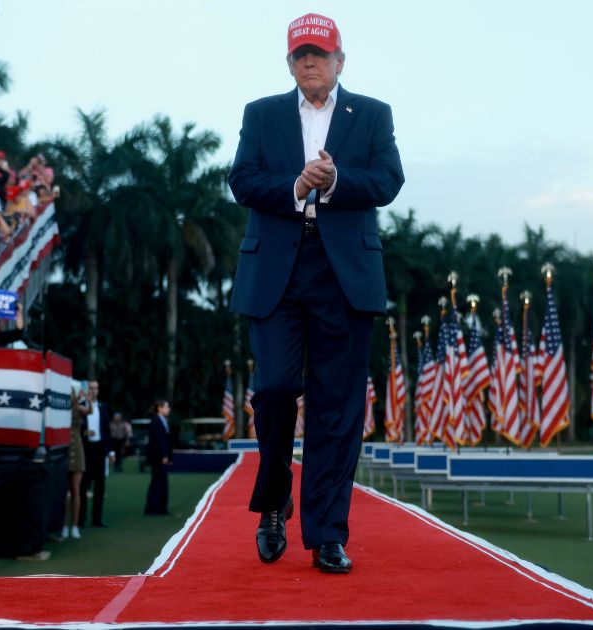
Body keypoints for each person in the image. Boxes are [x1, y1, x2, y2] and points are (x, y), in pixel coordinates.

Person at [227, 13, 405, 574]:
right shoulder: (262, 114)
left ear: (340, 61)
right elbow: (242, 180)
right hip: (277, 271)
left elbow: (388, 180)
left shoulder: (372, 114)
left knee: (337, 409)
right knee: (275, 389)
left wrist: (336, 181)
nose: (311, 61)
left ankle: (327, 532)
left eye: (320, 53)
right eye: (301, 53)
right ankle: (275, 498)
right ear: (289, 62)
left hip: (344, 275)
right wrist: (293, 186)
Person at [75, 380, 111, 528]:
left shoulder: (103, 407)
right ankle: (81, 519)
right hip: (86, 449)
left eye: (96, 388)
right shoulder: (80, 406)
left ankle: (97, 519)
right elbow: (75, 426)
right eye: (91, 388)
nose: (93, 391)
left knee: (100, 485)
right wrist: (84, 433)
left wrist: (111, 451)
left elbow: (107, 430)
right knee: (84, 485)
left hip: (100, 450)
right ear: (86, 389)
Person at [64, 381, 87, 540]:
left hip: (77, 448)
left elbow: (89, 410)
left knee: (75, 489)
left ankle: (75, 526)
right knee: (65, 492)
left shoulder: (79, 408)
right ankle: (64, 525)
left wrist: (87, 398)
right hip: (65, 448)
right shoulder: (61, 410)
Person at [144, 400, 173, 516]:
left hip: (163, 456)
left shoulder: (164, 421)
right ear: (160, 408)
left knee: (163, 482)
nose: (168, 409)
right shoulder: (155, 422)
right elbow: (157, 441)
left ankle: (162, 508)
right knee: (156, 482)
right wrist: (163, 455)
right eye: (166, 407)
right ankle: (151, 509)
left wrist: (169, 456)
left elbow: (167, 441)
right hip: (157, 457)